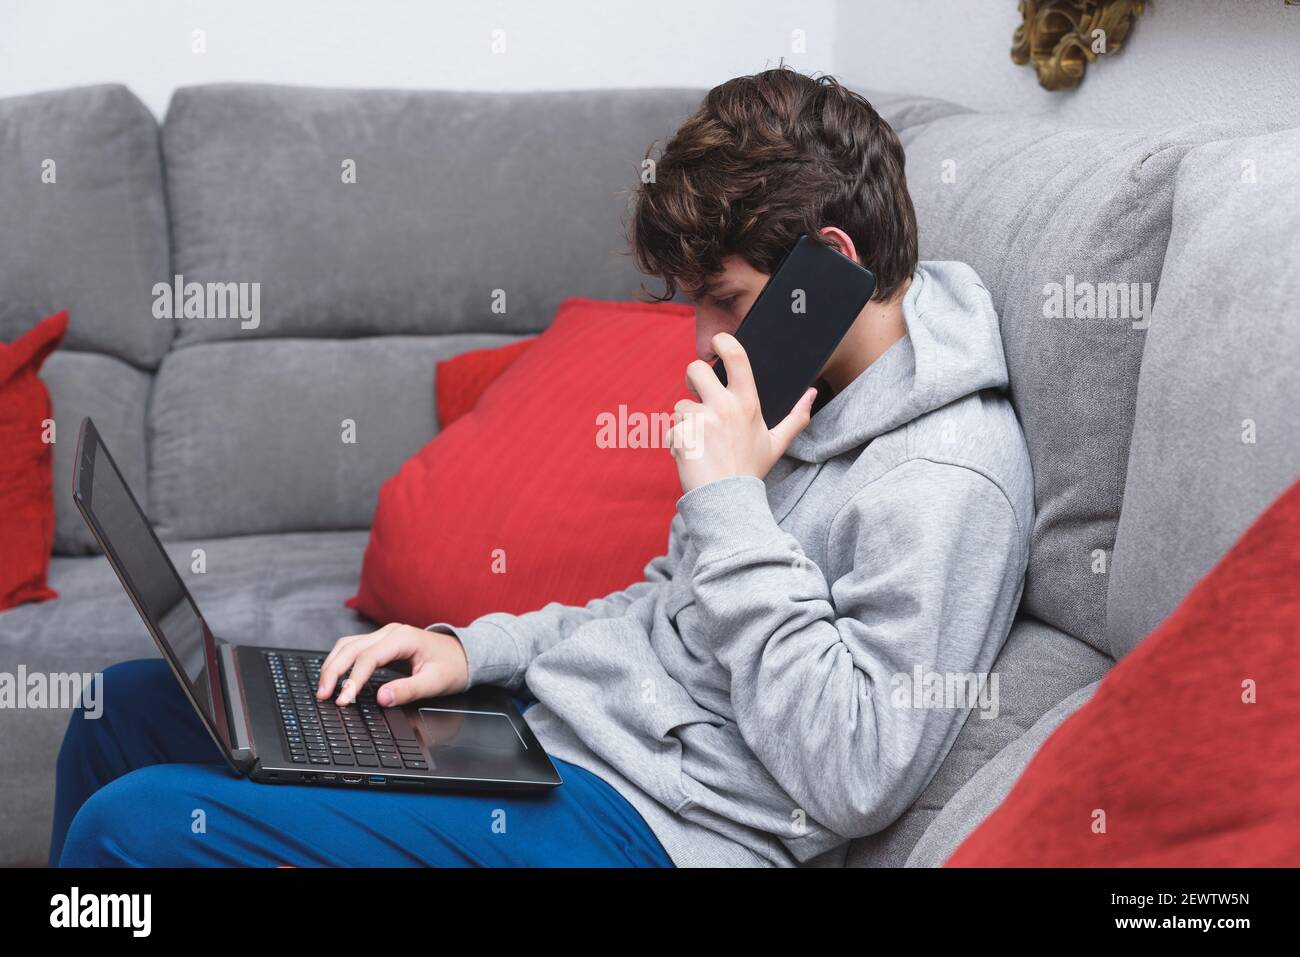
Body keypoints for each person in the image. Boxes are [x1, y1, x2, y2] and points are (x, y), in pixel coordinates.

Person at [51, 66, 1032, 868]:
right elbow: (661, 608)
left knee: (132, 830)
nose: (700, 340)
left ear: (829, 264)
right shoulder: (791, 392)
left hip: (649, 831)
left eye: (723, 299)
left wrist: (730, 499)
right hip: (547, 741)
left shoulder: (946, 480)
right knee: (124, 710)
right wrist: (471, 654)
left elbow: (857, 774)